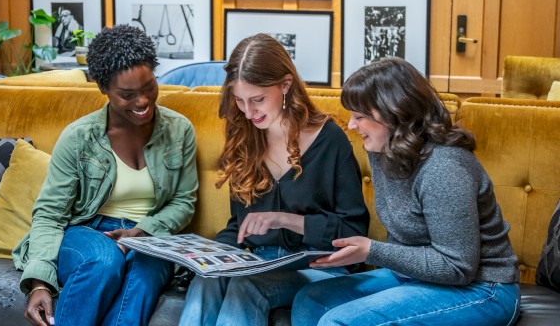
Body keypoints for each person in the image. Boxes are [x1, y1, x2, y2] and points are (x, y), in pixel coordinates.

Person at [291, 58, 521, 326]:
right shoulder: (383, 150)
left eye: (360, 116)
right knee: (311, 299)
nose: (351, 126)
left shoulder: (444, 167)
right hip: (416, 278)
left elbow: (458, 267)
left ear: (393, 114)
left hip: (485, 289)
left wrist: (371, 251)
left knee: (340, 321)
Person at [12, 24, 199, 326]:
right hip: (88, 231)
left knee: (147, 271)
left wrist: (144, 230)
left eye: (149, 86)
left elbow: (183, 202)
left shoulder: (179, 130)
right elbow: (49, 214)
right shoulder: (78, 137)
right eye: (127, 94)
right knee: (104, 259)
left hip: (150, 236)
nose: (142, 102)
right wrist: (39, 283)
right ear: (103, 88)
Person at [178, 33, 370, 325]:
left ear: (285, 85)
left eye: (257, 100)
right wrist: (208, 255)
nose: (249, 112)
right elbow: (239, 225)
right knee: (207, 280)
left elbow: (353, 229)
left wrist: (285, 219)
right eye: (240, 101)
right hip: (259, 261)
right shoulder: (245, 136)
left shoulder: (330, 141)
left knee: (246, 286)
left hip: (320, 266)